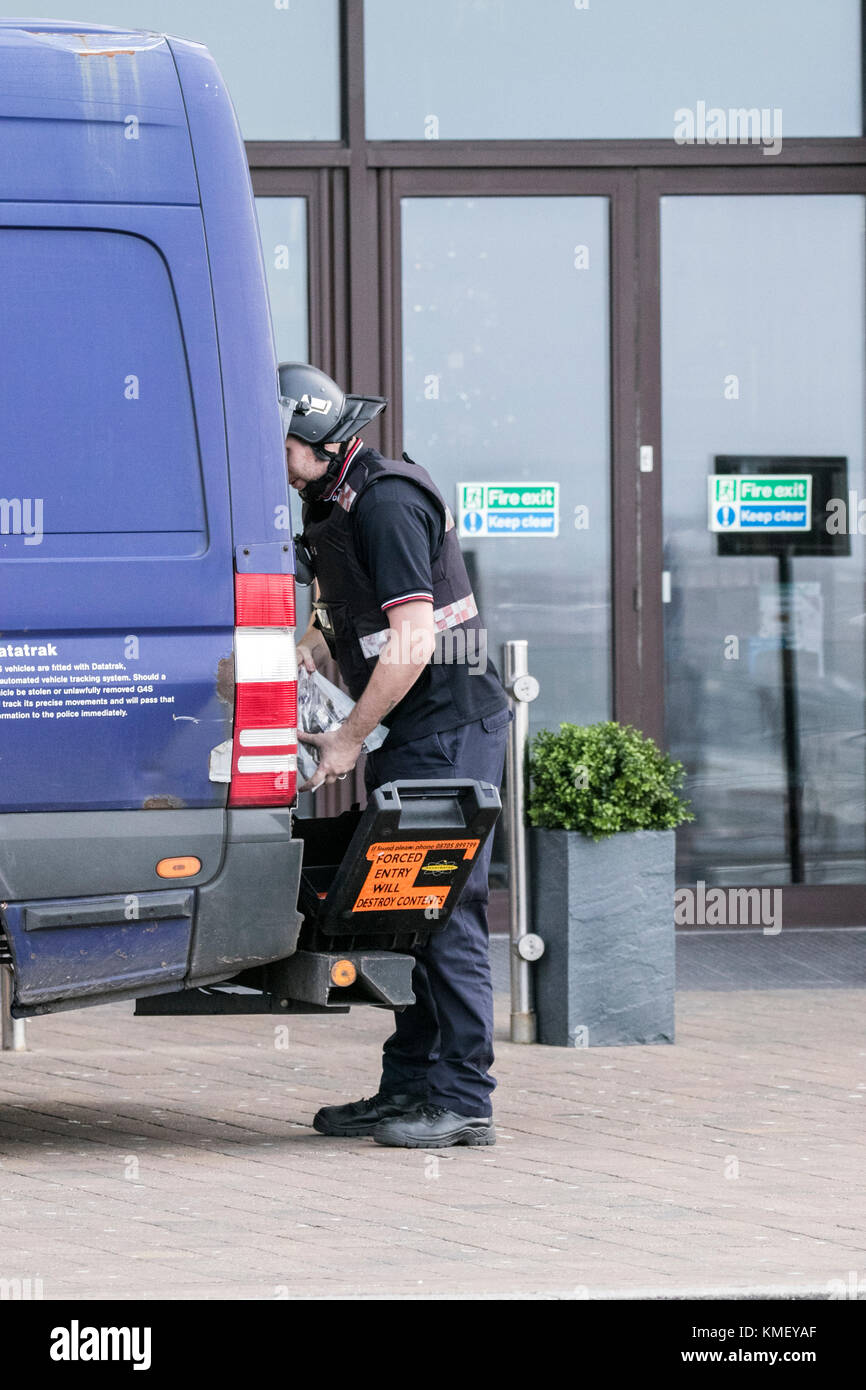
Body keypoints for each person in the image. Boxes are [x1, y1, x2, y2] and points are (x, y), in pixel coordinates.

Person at [279, 362, 511, 1149]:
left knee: (444, 913)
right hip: (410, 733)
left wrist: (346, 738)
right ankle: (408, 1089)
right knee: (404, 912)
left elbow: (413, 639)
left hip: (450, 730)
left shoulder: (385, 502)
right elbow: (350, 606)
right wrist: (314, 648)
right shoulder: (327, 497)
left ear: (309, 439)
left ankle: (464, 1100)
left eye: (272, 439)